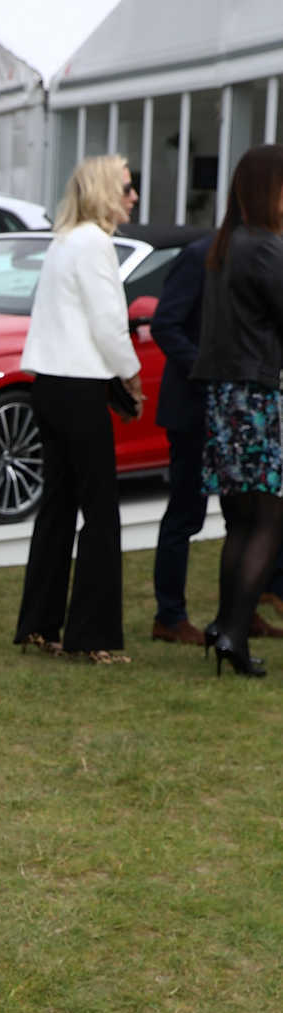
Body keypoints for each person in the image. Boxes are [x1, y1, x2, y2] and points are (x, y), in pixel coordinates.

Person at [13, 154, 143, 664]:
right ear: (106, 191)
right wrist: (130, 375)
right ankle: (92, 636)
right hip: (79, 388)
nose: (133, 196)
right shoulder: (93, 242)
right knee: (101, 511)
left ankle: (40, 625)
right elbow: (109, 324)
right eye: (127, 187)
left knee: (58, 506)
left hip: (50, 385)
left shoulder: (65, 240)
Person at [192, 143, 283, 677]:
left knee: (242, 521)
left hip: (227, 398)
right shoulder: (265, 247)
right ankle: (232, 630)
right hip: (257, 395)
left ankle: (227, 627)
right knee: (269, 518)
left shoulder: (225, 246)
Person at [149, 235, 211, 644]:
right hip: (192, 408)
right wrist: (206, 367)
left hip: (236, 407)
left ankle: (251, 602)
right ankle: (169, 616)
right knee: (185, 514)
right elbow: (164, 324)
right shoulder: (200, 256)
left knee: (252, 516)